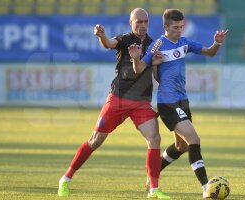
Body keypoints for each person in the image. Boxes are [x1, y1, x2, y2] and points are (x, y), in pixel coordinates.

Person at [57, 8, 170, 199]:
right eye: (138, 22)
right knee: (95, 140)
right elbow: (109, 43)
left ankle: (154, 189)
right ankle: (65, 179)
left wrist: (158, 65)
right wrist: (102, 36)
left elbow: (158, 76)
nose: (142, 25)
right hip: (118, 99)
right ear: (130, 22)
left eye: (145, 22)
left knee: (155, 139)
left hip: (141, 102)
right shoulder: (125, 39)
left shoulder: (153, 45)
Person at [128, 9, 228, 198]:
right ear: (165, 27)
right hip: (167, 103)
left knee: (181, 147)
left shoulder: (184, 42)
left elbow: (210, 53)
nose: (179, 31)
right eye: (175, 27)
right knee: (194, 139)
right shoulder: (158, 44)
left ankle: (152, 173)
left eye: (181, 27)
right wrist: (135, 59)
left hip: (183, 101)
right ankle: (206, 186)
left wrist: (217, 43)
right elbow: (140, 68)